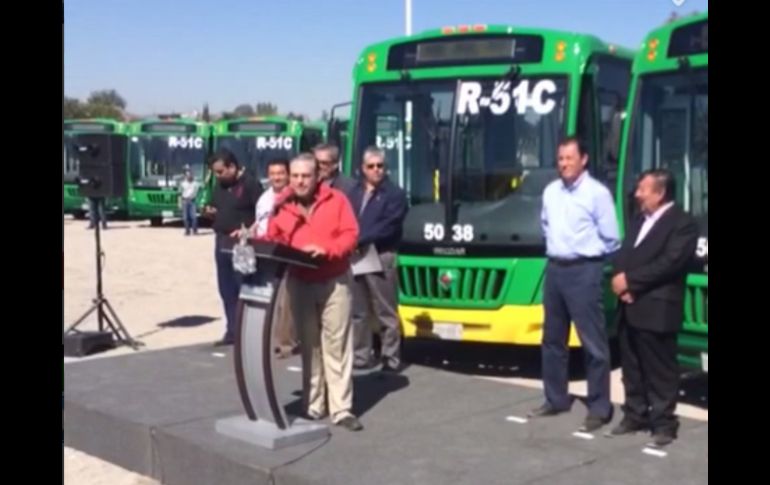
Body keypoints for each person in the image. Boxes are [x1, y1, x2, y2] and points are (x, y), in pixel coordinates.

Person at [265, 153, 362, 431]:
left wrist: (328, 250)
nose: (299, 181)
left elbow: (350, 234)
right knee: (310, 345)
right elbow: (273, 238)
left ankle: (341, 408)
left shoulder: (337, 200)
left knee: (337, 344)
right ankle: (314, 404)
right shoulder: (283, 205)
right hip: (300, 281)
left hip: (335, 280)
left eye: (305, 176)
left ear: (317, 175)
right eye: (294, 176)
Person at [532, 136, 620, 433]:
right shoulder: (550, 192)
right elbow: (546, 226)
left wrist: (591, 264)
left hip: (585, 269)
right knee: (552, 339)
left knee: (592, 343)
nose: (564, 164)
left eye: (569, 158)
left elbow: (611, 238)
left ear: (583, 159)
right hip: (556, 268)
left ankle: (599, 407)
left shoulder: (598, 194)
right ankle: (555, 398)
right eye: (560, 158)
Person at [610, 169, 698, 448]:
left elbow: (670, 263)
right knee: (632, 365)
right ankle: (635, 414)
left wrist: (631, 282)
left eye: (643, 190)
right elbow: (625, 253)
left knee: (660, 369)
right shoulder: (639, 220)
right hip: (629, 305)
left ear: (660, 193)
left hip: (657, 307)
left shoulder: (682, 223)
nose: (637, 194)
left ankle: (663, 424)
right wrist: (621, 281)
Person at [348, 147, 408, 372]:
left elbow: (388, 226)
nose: (376, 170)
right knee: (358, 310)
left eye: (380, 166)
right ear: (363, 169)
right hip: (355, 257)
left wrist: (359, 239)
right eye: (371, 166)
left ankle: (390, 358)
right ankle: (361, 356)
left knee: (385, 311)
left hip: (381, 255)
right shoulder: (353, 192)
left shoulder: (395, 194)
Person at [203, 149, 262, 346]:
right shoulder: (220, 185)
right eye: (215, 172)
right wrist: (210, 211)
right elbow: (215, 204)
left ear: (232, 167)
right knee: (226, 289)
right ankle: (232, 331)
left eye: (220, 172)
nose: (218, 176)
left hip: (242, 244)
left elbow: (262, 215)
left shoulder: (251, 184)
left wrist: (248, 230)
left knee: (242, 287)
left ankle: (248, 333)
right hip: (221, 241)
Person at [252, 158, 296, 358]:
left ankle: (286, 343)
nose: (276, 177)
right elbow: (259, 223)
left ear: (287, 175)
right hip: (265, 251)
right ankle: (274, 338)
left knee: (285, 301)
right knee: (270, 298)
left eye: (280, 173)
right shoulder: (264, 198)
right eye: (273, 174)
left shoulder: (294, 196)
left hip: (287, 253)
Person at [178, 169, 200, 235]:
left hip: (193, 201)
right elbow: (179, 194)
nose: (189, 176)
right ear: (185, 176)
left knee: (194, 217)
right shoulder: (182, 184)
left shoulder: (196, 184)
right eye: (187, 175)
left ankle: (195, 231)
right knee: (185, 217)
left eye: (190, 175)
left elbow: (203, 187)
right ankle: (187, 231)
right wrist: (179, 203)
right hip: (185, 201)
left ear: (192, 175)